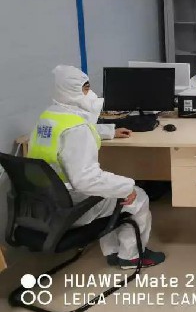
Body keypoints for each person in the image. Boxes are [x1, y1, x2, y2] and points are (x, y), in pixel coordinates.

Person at [28, 66, 165, 269]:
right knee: (138, 197)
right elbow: (86, 179)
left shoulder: (49, 116)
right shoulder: (76, 129)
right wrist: (127, 187)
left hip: (46, 200)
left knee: (112, 191)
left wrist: (109, 131)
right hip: (72, 203)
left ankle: (112, 252)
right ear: (71, 91)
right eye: (85, 88)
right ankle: (131, 257)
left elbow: (72, 136)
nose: (90, 93)